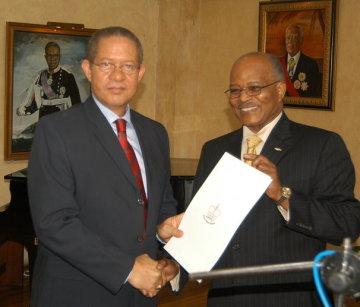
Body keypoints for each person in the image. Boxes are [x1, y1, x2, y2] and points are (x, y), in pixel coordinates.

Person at [28, 26, 184, 307]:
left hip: (141, 295)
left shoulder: (155, 133)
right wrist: (127, 269)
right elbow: (54, 223)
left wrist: (163, 235)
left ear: (141, 73)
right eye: (106, 64)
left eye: (127, 66)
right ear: (88, 70)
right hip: (77, 294)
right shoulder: (56, 131)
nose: (117, 75)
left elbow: (163, 204)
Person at [192, 52, 360, 306]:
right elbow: (201, 225)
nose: (243, 98)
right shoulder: (214, 150)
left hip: (289, 297)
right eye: (235, 91)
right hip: (226, 297)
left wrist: (282, 195)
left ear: (281, 90)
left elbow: (347, 225)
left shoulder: (322, 145)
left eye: (254, 88)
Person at [17, 41, 81, 118]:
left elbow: (76, 103)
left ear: (59, 57)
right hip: (44, 117)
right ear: (45, 57)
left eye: (55, 55)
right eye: (49, 55)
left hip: (61, 117)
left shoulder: (68, 76)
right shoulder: (41, 75)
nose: (52, 58)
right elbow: (37, 101)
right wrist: (26, 111)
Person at [279, 24, 322, 97]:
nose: (290, 41)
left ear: (301, 40)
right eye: (288, 38)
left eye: (294, 38)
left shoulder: (311, 65)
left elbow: (314, 95)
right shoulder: (277, 64)